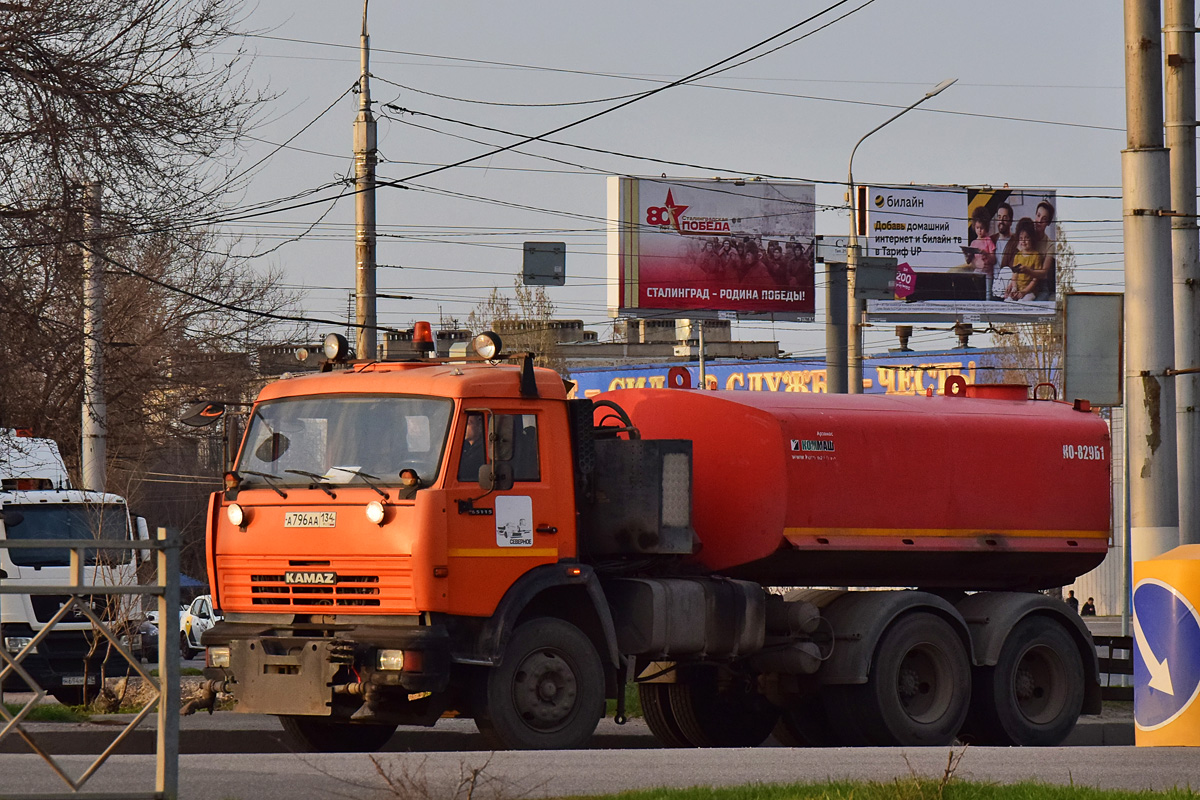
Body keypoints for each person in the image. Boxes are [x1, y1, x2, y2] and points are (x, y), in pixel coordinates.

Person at [1006, 218, 1040, 301]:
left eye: (1027, 238)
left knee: (1024, 302)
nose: (1023, 241)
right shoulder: (1018, 256)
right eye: (1021, 238)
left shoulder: (1036, 256)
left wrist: (1025, 291)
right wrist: (1014, 288)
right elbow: (1014, 275)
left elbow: (1035, 279)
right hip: (1017, 289)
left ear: (1032, 238)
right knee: (1008, 300)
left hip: (1029, 291)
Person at [457, 412, 486, 481]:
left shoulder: (483, 450)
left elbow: (466, 470)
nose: (463, 427)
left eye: (468, 424)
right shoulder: (465, 446)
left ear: (480, 425)